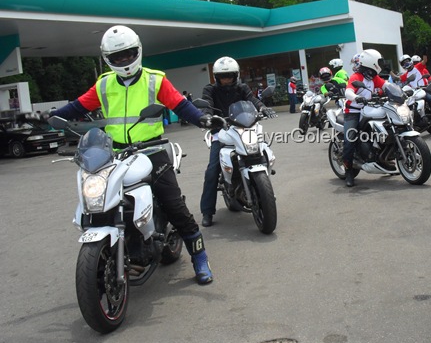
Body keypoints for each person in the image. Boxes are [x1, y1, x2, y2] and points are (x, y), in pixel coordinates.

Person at [50, 25, 216, 285]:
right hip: (115, 155)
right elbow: (76, 107)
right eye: (117, 57)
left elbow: (180, 105)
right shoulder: (104, 84)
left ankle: (200, 257)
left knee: (174, 205)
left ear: (137, 51)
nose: (124, 60)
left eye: (128, 54)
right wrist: (51, 118)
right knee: (102, 202)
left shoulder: (155, 80)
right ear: (108, 58)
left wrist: (203, 119)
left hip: (152, 150)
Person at [200, 57, 275, 227]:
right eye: (222, 77)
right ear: (216, 77)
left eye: (230, 76)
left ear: (236, 75)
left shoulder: (242, 88)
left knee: (261, 149)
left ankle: (262, 187)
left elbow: (252, 100)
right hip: (221, 131)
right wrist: (207, 117)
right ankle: (207, 211)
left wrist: (262, 107)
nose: (226, 80)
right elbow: (206, 105)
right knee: (212, 171)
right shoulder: (210, 90)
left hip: (243, 128)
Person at [342, 49, 388, 187]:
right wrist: (356, 97)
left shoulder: (373, 77)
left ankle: (383, 158)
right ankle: (348, 171)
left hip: (369, 110)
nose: (381, 64)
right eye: (379, 62)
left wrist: (401, 91)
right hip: (353, 112)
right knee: (350, 140)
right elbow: (348, 92)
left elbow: (386, 85)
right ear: (372, 63)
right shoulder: (356, 77)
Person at [399, 53, 431, 123]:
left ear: (410, 60)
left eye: (407, 61)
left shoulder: (418, 67)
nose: (406, 63)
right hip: (414, 91)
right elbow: (397, 78)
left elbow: (425, 60)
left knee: (430, 99)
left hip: (424, 88)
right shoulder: (405, 75)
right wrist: (390, 72)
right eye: (404, 62)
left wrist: (424, 53)